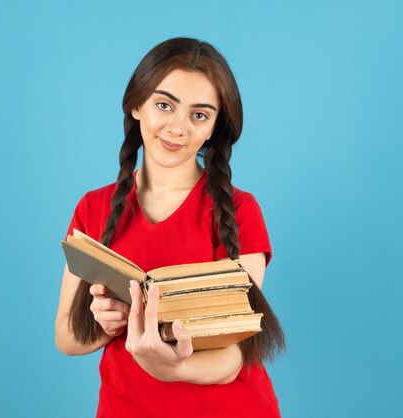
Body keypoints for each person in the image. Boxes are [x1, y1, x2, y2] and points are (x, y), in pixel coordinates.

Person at [55, 37, 285, 418]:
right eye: (165, 105)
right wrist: (107, 324)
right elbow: (66, 337)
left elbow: (235, 353)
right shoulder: (92, 208)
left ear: (214, 127)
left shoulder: (241, 210)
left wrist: (173, 367)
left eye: (199, 114)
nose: (177, 128)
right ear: (137, 105)